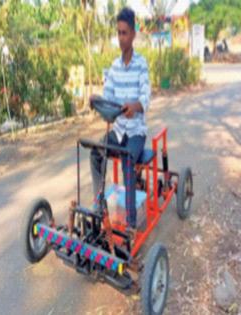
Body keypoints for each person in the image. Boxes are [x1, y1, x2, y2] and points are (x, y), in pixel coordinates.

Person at [90, 7, 151, 240]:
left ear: (133, 34)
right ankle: (99, 205)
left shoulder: (141, 64)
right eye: (118, 33)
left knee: (127, 160)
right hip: (118, 130)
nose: (121, 38)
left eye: (124, 33)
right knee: (96, 153)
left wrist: (133, 107)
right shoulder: (114, 67)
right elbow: (109, 98)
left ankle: (131, 226)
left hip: (136, 131)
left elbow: (146, 98)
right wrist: (97, 100)